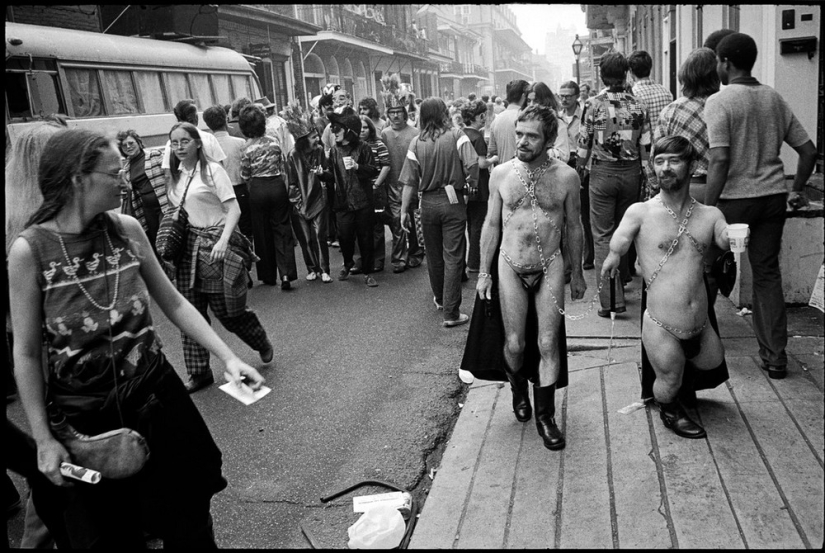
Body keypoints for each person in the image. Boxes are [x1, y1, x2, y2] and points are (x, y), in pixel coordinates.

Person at [8, 127, 265, 547]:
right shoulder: (29, 252)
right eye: (114, 173)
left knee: (189, 516)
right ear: (78, 178)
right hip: (86, 418)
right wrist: (43, 439)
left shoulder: (126, 228)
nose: (124, 180)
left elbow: (175, 303)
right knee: (112, 533)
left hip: (155, 394)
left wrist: (228, 357)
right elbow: (27, 352)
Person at [705, 32, 817, 380]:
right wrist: (796, 189)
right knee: (767, 274)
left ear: (725, 62)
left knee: (705, 269)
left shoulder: (719, 101)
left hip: (733, 204)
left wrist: (708, 209)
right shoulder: (773, 98)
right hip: (771, 200)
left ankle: (696, 345)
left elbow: (719, 159)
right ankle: (775, 356)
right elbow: (809, 151)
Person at [602, 136, 731, 438]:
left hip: (700, 322)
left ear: (692, 166)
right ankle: (668, 410)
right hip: (661, 321)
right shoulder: (641, 212)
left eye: (674, 161)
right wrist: (612, 257)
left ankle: (679, 384)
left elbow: (724, 238)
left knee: (713, 359)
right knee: (668, 381)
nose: (665, 168)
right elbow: (617, 242)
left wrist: (736, 237)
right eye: (659, 161)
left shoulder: (709, 214)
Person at [476, 105, 586, 450]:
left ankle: (546, 416)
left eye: (531, 136)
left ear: (549, 139)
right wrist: (483, 273)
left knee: (547, 343)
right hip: (510, 265)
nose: (522, 141)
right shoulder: (501, 175)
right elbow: (491, 224)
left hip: (550, 265)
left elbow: (574, 225)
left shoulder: (567, 177)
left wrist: (578, 271)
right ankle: (517, 389)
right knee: (514, 344)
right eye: (519, 133)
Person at [166, 121, 274, 392]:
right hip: (188, 250)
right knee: (191, 312)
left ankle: (260, 341)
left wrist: (224, 241)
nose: (179, 147)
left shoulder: (213, 171)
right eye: (175, 142)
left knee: (228, 311)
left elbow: (234, 209)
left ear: (198, 143)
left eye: (184, 141)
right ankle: (199, 372)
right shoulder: (177, 175)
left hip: (214, 245)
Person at [576, 51, 651, 318]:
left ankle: (610, 300)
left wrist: (580, 170)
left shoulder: (593, 105)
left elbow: (584, 143)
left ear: (602, 75)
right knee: (625, 232)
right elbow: (646, 146)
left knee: (602, 236)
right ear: (626, 74)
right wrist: (646, 176)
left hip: (602, 174)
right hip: (631, 174)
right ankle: (621, 285)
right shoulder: (638, 105)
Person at [399, 98, 479, 326]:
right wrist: (470, 185)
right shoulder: (457, 135)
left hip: (428, 203)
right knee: (453, 256)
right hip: (452, 199)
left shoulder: (416, 142)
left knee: (433, 256)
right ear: (444, 112)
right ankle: (452, 313)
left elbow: (409, 181)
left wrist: (404, 210)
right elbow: (472, 163)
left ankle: (441, 299)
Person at [647, 48, 720, 203]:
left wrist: (655, 188)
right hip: (723, 189)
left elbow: (656, 154)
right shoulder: (724, 106)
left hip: (683, 190)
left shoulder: (673, 110)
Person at [318, 111, 380, 287]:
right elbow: (332, 175)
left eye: (337, 128)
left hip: (363, 202)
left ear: (349, 130)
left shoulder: (364, 148)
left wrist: (358, 166)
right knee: (344, 237)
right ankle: (348, 263)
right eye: (332, 127)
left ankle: (368, 272)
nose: (333, 131)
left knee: (365, 238)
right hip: (343, 203)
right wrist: (322, 174)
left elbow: (373, 170)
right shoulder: (335, 151)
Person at [239, 104, 298, 289]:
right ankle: (286, 274)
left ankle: (267, 275)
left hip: (257, 189)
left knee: (261, 232)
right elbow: (282, 166)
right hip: (277, 186)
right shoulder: (273, 142)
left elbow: (245, 175)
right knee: (282, 229)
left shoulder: (246, 148)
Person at [283, 102, 332, 283]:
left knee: (320, 235)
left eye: (317, 135)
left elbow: (328, 174)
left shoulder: (319, 152)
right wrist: (297, 202)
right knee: (305, 238)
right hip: (301, 201)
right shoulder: (293, 155)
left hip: (319, 199)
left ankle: (325, 269)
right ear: (304, 139)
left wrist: (322, 174)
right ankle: (312, 268)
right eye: (313, 137)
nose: (317, 139)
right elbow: (291, 182)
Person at [380, 92, 423, 273]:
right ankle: (399, 257)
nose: (396, 116)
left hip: (412, 183)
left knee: (412, 220)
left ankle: (415, 253)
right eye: (392, 112)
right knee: (397, 221)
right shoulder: (385, 134)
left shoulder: (415, 133)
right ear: (387, 115)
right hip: (392, 184)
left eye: (399, 111)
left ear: (405, 113)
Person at [460, 99, 498, 274]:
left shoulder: (460, 134)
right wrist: (494, 159)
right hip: (479, 185)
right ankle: (474, 262)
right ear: (480, 116)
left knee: (469, 224)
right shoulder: (477, 138)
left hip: (465, 184)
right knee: (478, 224)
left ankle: (469, 259)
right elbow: (482, 163)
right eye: (483, 115)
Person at [558, 80, 594, 271]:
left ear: (576, 96)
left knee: (586, 214)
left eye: (568, 96)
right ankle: (568, 262)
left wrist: (586, 167)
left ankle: (588, 258)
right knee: (566, 215)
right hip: (564, 165)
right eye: (561, 96)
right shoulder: (558, 117)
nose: (564, 99)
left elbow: (592, 143)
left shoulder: (586, 116)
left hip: (583, 165)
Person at [203, 105, 253, 240]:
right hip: (240, 190)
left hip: (218, 195)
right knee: (246, 230)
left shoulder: (205, 146)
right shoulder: (240, 143)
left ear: (207, 124)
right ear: (226, 120)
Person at [117, 130, 166, 256]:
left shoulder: (153, 155)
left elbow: (169, 176)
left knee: (166, 238)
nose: (128, 147)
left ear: (138, 142)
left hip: (163, 205)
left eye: (131, 143)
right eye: (124, 145)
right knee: (154, 239)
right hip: (146, 210)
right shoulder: (127, 168)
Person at [353, 114, 392, 274]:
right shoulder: (353, 146)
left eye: (365, 127)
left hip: (375, 189)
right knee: (359, 226)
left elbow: (386, 165)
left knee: (376, 225)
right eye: (359, 128)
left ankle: (377, 259)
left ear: (370, 128)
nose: (362, 131)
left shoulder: (378, 144)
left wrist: (376, 184)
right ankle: (360, 260)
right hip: (358, 190)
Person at [161, 99, 226, 170]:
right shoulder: (209, 138)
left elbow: (168, 171)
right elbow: (220, 166)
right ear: (195, 117)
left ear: (178, 119)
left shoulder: (171, 143)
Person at [628, 50, 674, 136]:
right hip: (665, 146)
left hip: (645, 147)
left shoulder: (632, 96)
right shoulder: (666, 92)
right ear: (650, 68)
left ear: (630, 71)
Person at [521, 82, 570, 162]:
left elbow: (563, 156)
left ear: (546, 101)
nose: (531, 105)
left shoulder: (558, 123)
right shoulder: (523, 123)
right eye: (529, 101)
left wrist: (539, 152)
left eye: (536, 101)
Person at [489, 79, 529, 165]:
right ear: (524, 96)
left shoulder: (496, 120)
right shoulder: (526, 118)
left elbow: (492, 150)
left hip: (503, 173)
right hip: (523, 173)